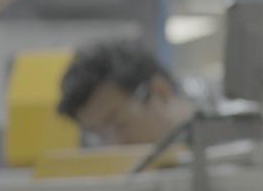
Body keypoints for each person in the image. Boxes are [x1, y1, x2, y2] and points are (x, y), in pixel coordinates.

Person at [56, 38, 194, 147]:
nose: (113, 145)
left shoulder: (210, 156)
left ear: (160, 91)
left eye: (118, 124)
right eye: (99, 136)